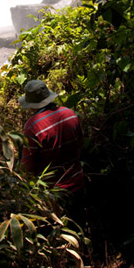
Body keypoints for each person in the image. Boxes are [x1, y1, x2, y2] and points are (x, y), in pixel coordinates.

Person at [19, 80, 85, 219]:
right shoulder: (70, 113)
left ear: (31, 105)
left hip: (53, 194)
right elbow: (80, 144)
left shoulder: (33, 126)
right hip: (78, 184)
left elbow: (27, 166)